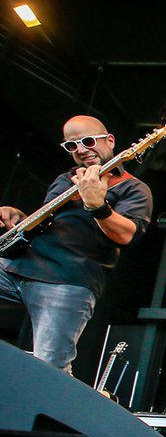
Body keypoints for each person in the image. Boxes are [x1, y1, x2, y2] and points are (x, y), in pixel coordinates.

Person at [0, 115, 152, 375]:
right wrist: (18, 218)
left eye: (88, 141)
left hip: (67, 280)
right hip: (21, 265)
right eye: (72, 146)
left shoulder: (134, 189)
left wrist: (98, 206)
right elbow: (52, 225)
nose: (81, 150)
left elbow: (127, 234)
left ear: (110, 141)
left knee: (49, 369)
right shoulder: (65, 179)